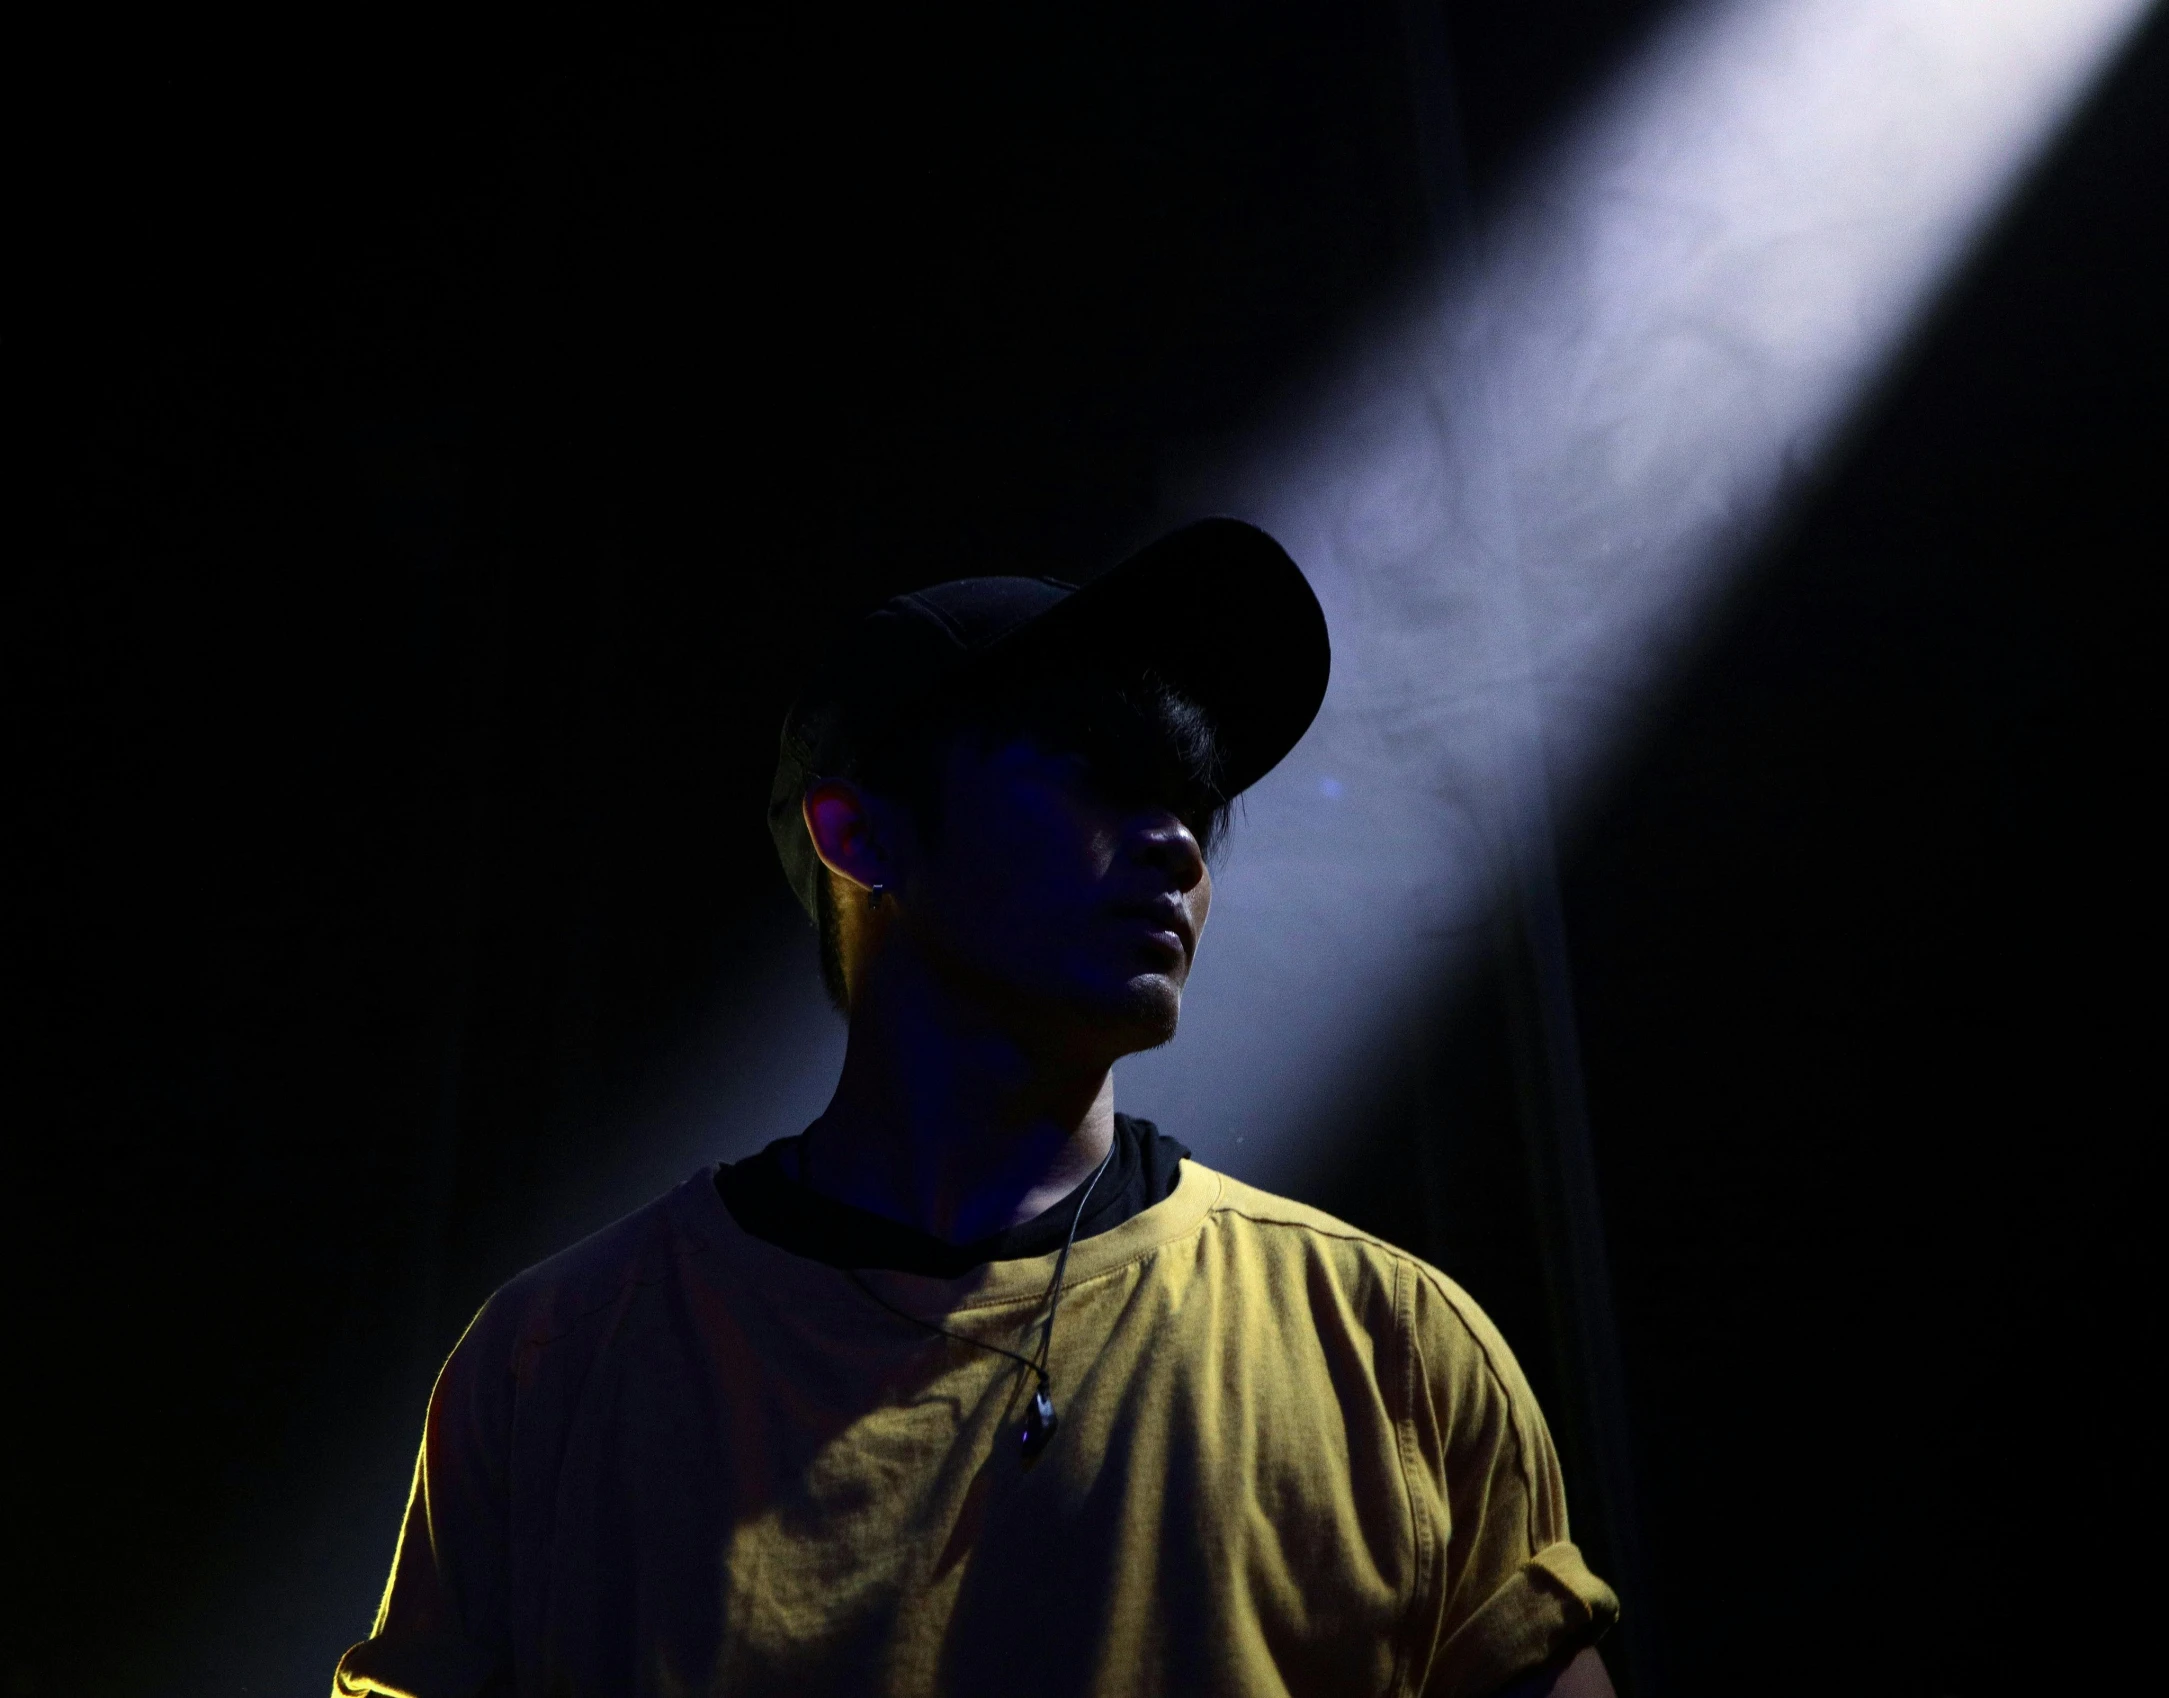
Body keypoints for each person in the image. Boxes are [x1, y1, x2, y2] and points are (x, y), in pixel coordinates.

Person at [333, 519, 1621, 1697]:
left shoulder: (1392, 1353)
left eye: (1191, 800)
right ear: (862, 834)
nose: (1178, 843)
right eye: (1095, 773)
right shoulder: (559, 1365)